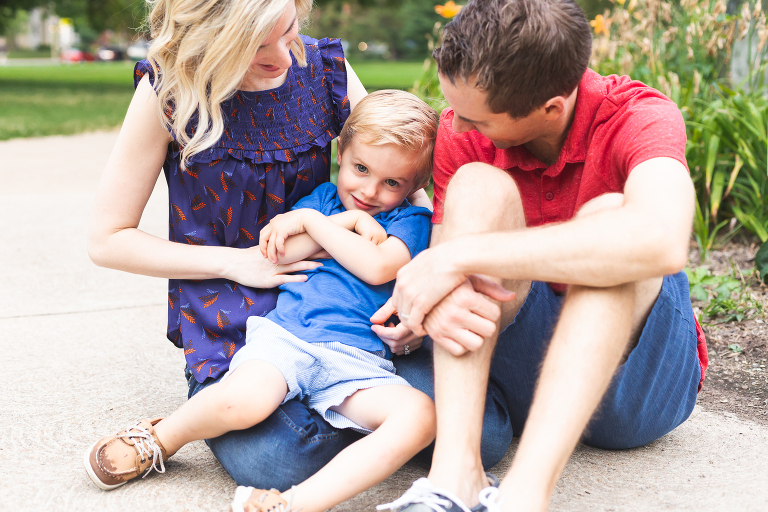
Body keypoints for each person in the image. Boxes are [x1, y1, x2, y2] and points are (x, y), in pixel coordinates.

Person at [375, 0, 710, 511]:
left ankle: (523, 498)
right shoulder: (459, 134)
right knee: (476, 184)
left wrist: (456, 256)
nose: (457, 127)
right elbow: (459, 287)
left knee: (613, 215)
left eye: (477, 119)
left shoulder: (638, 116)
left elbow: (662, 238)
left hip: (635, 387)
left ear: (551, 107)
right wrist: (430, 302)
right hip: (518, 362)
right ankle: (454, 477)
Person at [85, 90, 445, 512]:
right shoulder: (325, 200)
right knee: (245, 400)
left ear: (417, 184)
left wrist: (315, 226)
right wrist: (337, 221)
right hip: (287, 340)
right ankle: (162, 438)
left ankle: (292, 504)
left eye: (392, 182)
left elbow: (379, 266)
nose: (368, 190)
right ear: (341, 152)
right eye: (361, 168)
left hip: (357, 360)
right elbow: (277, 251)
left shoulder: (410, 219)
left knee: (420, 415)